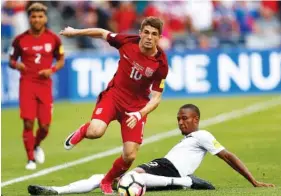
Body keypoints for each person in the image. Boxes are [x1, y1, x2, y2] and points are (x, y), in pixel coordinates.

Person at [27, 104, 274, 195]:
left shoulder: (202, 135)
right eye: (179, 119)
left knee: (131, 178)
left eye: (185, 118)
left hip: (170, 171)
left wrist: (253, 182)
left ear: (196, 119)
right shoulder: (187, 138)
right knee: (105, 179)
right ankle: (55, 191)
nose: (181, 122)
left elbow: (228, 156)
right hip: (162, 166)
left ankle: (187, 182)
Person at [59, 16, 169, 194]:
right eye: (146, 32)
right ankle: (83, 130)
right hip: (114, 96)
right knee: (96, 132)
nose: (149, 37)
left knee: (130, 155)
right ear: (140, 33)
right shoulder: (126, 41)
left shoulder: (161, 64)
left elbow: (156, 97)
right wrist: (75, 32)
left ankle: (107, 180)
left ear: (159, 38)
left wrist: (140, 114)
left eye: (154, 34)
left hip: (135, 108)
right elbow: (102, 33)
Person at [9, 3, 65, 170]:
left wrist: (52, 69)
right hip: (27, 84)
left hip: (45, 85)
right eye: (34, 16)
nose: (37, 19)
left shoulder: (53, 39)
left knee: (45, 126)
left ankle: (36, 144)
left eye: (40, 16)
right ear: (29, 18)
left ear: (45, 18)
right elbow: (11, 60)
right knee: (28, 123)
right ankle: (30, 159)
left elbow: (61, 59)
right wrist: (16, 65)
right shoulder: (20, 40)